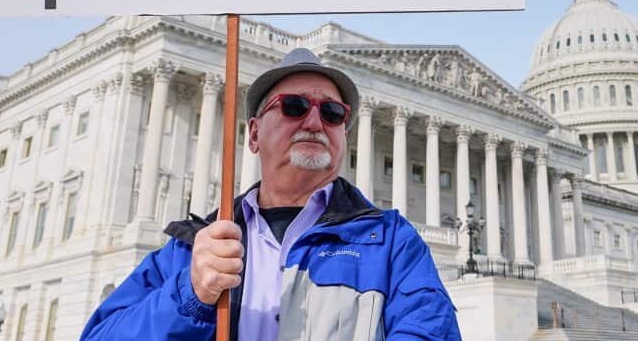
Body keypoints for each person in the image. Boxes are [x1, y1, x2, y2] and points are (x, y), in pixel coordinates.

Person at [78, 48, 461, 340]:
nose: (314, 122)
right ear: (255, 134)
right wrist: (190, 295)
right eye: (294, 107)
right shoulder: (196, 247)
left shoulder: (393, 241)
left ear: (344, 135)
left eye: (332, 113)